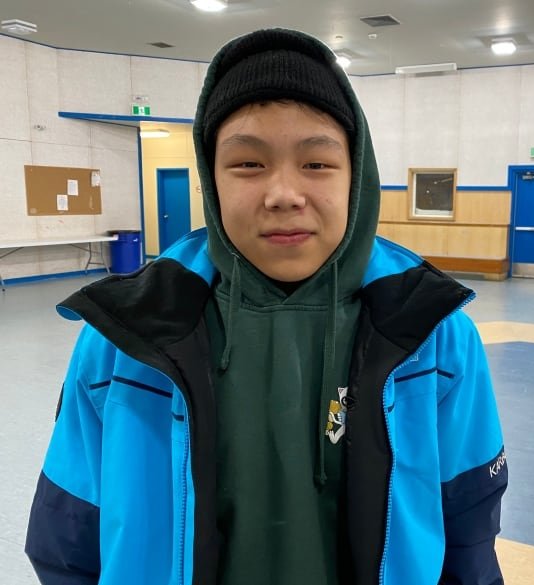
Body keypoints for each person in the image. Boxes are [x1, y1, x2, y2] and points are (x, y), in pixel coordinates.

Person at [25, 27, 508, 585]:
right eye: (249, 164)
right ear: (211, 179)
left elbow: (469, 529)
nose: (283, 194)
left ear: (357, 176)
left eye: (317, 164)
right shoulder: (124, 338)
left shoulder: (434, 334)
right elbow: (68, 537)